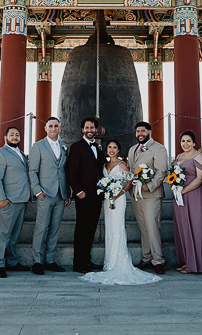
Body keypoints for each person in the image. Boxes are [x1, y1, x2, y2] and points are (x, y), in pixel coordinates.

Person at [80, 140, 162, 286]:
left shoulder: (122, 164)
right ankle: (109, 263)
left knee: (117, 228)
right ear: (106, 149)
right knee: (110, 229)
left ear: (119, 150)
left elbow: (129, 182)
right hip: (107, 200)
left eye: (115, 148)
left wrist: (117, 195)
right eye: (110, 147)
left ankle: (119, 263)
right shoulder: (105, 165)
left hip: (118, 200)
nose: (112, 150)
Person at [28, 116, 70, 275]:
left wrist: (67, 192)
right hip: (44, 194)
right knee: (41, 227)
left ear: (60, 128)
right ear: (45, 128)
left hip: (61, 194)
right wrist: (37, 191)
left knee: (55, 228)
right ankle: (37, 261)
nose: (53, 128)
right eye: (50, 126)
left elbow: (65, 171)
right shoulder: (38, 146)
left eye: (56, 126)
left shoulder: (65, 146)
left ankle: (50, 260)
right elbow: (32, 171)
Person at [127, 120, 168, 275]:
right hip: (136, 195)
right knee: (143, 227)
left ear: (149, 132)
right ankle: (146, 258)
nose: (140, 134)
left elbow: (161, 171)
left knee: (152, 226)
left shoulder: (159, 148)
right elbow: (131, 170)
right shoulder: (132, 149)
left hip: (151, 194)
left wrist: (149, 185)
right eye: (138, 131)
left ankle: (158, 260)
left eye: (143, 131)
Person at [0, 126, 31, 277]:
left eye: (17, 134)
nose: (15, 137)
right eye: (12, 134)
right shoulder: (1, 154)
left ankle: (12, 261)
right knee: (3, 233)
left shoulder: (21, 153)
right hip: (9, 200)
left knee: (14, 234)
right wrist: (1, 199)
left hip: (22, 199)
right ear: (5, 138)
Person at [65, 116, 104, 273]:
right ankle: (79, 263)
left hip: (97, 195)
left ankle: (86, 260)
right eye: (87, 128)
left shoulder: (98, 147)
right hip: (83, 195)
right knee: (82, 229)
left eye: (92, 127)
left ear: (96, 129)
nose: (90, 130)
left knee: (91, 229)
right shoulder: (76, 147)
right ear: (82, 129)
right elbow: (71, 171)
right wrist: (78, 191)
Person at [171, 131, 202, 274]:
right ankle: (187, 261)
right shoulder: (179, 156)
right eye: (183, 141)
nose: (185, 144)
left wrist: (184, 190)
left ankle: (196, 263)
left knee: (195, 226)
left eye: (188, 141)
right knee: (183, 227)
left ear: (194, 143)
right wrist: (174, 187)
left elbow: (200, 178)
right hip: (179, 196)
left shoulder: (198, 156)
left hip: (193, 195)